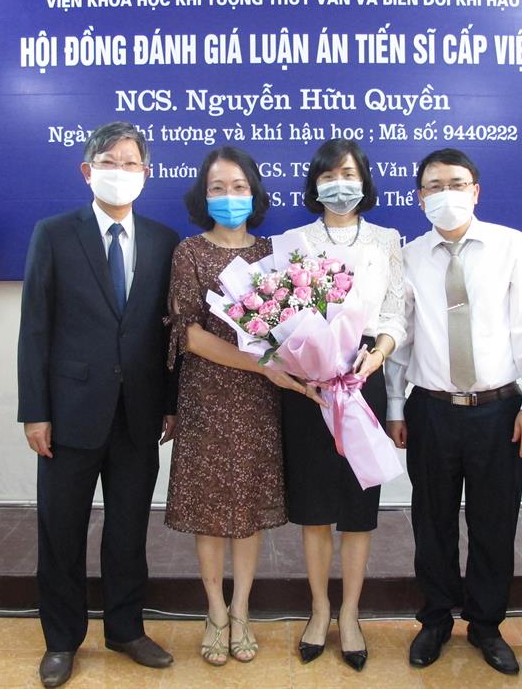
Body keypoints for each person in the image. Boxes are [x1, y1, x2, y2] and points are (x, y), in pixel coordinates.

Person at [17, 121, 178, 687]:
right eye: (109, 162)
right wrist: (35, 411)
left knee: (128, 530)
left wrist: (171, 403)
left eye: (131, 162)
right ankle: (61, 640)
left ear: (146, 173)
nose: (120, 171)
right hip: (68, 413)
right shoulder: (54, 234)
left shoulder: (163, 240)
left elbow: (169, 333)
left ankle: (126, 629)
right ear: (87, 171)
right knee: (61, 530)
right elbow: (35, 327)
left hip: (139, 413)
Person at [385, 148, 522, 675]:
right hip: (431, 409)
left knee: (494, 523)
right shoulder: (408, 256)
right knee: (431, 521)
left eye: (456, 184)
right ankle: (435, 620)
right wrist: (395, 406)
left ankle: (486, 625)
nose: (446, 194)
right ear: (419, 198)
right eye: (434, 186)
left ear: (475, 190)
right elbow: (402, 338)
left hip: (499, 411)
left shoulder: (512, 247)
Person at [164, 146, 318, 666]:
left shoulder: (275, 254)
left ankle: (242, 611)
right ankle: (214, 612)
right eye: (217, 188)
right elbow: (188, 335)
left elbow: (297, 325)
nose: (228, 196)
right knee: (210, 510)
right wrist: (262, 365)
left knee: (247, 509)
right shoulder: (189, 252)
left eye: (237, 187)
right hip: (207, 396)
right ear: (202, 195)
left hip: (259, 402)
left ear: (254, 193)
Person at [280, 138, 406, 672]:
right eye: (329, 175)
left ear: (364, 181)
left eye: (349, 174)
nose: (339, 184)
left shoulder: (387, 240)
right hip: (310, 384)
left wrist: (378, 355)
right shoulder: (291, 241)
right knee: (313, 508)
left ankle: (350, 613)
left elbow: (396, 314)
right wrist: (307, 365)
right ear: (315, 183)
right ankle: (319, 609)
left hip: (362, 378)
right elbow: (282, 315)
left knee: (357, 509)